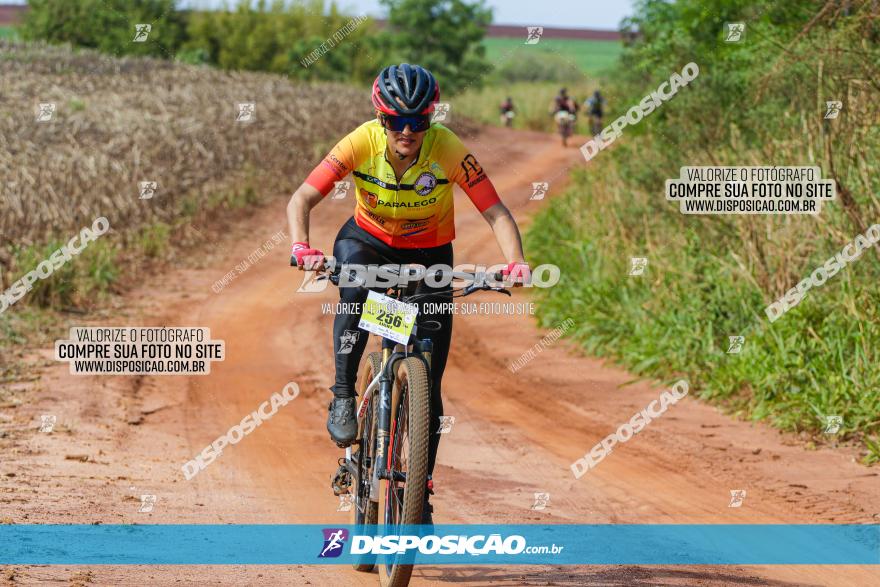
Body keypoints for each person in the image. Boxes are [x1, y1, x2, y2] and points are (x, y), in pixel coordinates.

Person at [286, 63, 530, 522]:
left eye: (418, 121)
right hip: (367, 241)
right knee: (355, 292)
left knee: (430, 380)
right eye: (396, 120)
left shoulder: (448, 149)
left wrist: (516, 262)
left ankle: (420, 495)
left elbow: (495, 211)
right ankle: (343, 393)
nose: (407, 130)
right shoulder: (361, 142)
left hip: (429, 253)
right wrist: (302, 246)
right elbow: (302, 198)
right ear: (381, 118)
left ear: (431, 119)